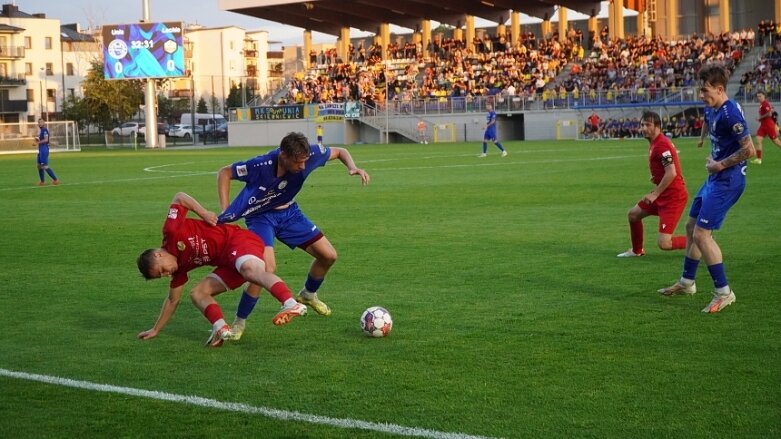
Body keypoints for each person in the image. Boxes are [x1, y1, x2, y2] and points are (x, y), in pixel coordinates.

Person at [217, 132, 370, 340]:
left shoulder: (311, 154)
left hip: (290, 214)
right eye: (298, 163)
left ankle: (308, 294)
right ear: (284, 156)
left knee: (329, 255)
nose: (303, 167)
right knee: (265, 269)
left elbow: (340, 151)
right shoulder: (259, 165)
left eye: (305, 161)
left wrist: (352, 167)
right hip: (261, 218)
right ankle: (239, 322)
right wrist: (226, 209)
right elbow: (225, 172)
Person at [136, 192, 308, 347]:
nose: (166, 274)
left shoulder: (171, 232)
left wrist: (203, 213)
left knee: (250, 270)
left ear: (158, 255)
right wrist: (156, 329)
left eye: (162, 271)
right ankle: (220, 328)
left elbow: (179, 197)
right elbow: (172, 300)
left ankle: (290, 303)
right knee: (198, 294)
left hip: (238, 241)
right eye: (162, 276)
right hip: (228, 264)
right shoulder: (178, 269)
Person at [658, 65, 756, 314]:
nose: (701, 95)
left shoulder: (730, 113)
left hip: (728, 179)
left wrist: (720, 164)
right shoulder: (712, 108)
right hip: (714, 178)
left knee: (702, 234)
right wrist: (703, 138)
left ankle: (724, 292)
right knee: (691, 227)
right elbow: (707, 120)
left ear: (720, 89)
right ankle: (687, 282)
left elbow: (749, 149)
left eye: (705, 90)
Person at [617, 111, 688, 258]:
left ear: (657, 127)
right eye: (642, 125)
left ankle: (701, 240)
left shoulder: (661, 145)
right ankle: (637, 251)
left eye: (648, 125)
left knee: (665, 243)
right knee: (633, 215)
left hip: (672, 197)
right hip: (663, 193)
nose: (643, 128)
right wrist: (656, 178)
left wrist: (655, 193)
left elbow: (671, 172)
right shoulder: (656, 143)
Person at [751, 91, 781, 164]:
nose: (759, 98)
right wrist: (760, 119)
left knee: (776, 141)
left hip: (768, 126)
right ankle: (758, 159)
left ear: (764, 96)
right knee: (758, 139)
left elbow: (769, 114)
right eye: (758, 96)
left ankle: (758, 159)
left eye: (760, 96)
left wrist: (760, 117)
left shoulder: (765, 103)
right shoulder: (761, 104)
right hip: (763, 125)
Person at [35, 118, 59, 186]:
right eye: (39, 122)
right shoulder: (41, 131)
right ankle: (42, 182)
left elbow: (46, 140)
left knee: (44, 166)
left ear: (44, 123)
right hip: (40, 149)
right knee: (39, 166)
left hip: (44, 149)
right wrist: (37, 140)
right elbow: (42, 140)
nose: (40, 123)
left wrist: (38, 142)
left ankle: (55, 180)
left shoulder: (45, 130)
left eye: (41, 122)